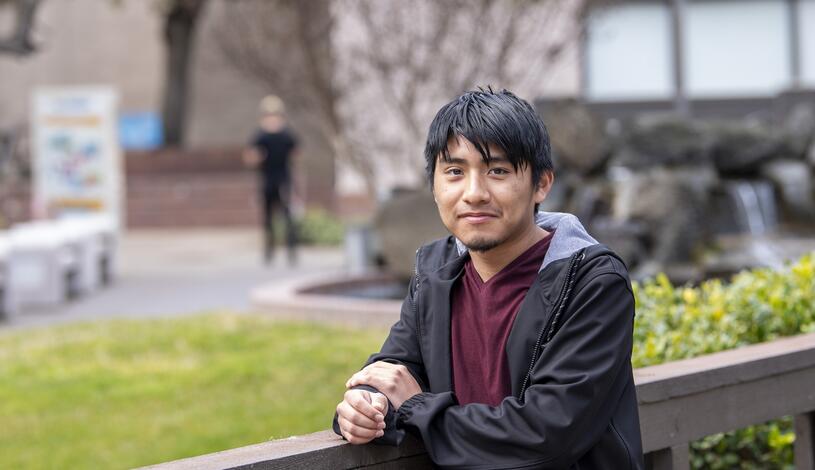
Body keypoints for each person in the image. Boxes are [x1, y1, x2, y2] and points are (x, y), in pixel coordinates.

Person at [333, 89, 644, 469]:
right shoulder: (436, 270)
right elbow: (394, 366)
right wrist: (366, 403)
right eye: (454, 172)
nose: (474, 193)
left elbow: (546, 436)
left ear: (542, 184)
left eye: (497, 171)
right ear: (434, 186)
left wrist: (417, 407)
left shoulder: (592, 283)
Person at [243, 95, 299, 265]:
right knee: (268, 217)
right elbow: (249, 156)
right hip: (268, 179)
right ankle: (269, 250)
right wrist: (257, 158)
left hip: (284, 179)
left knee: (288, 215)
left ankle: (291, 249)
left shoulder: (286, 134)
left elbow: (296, 153)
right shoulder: (260, 135)